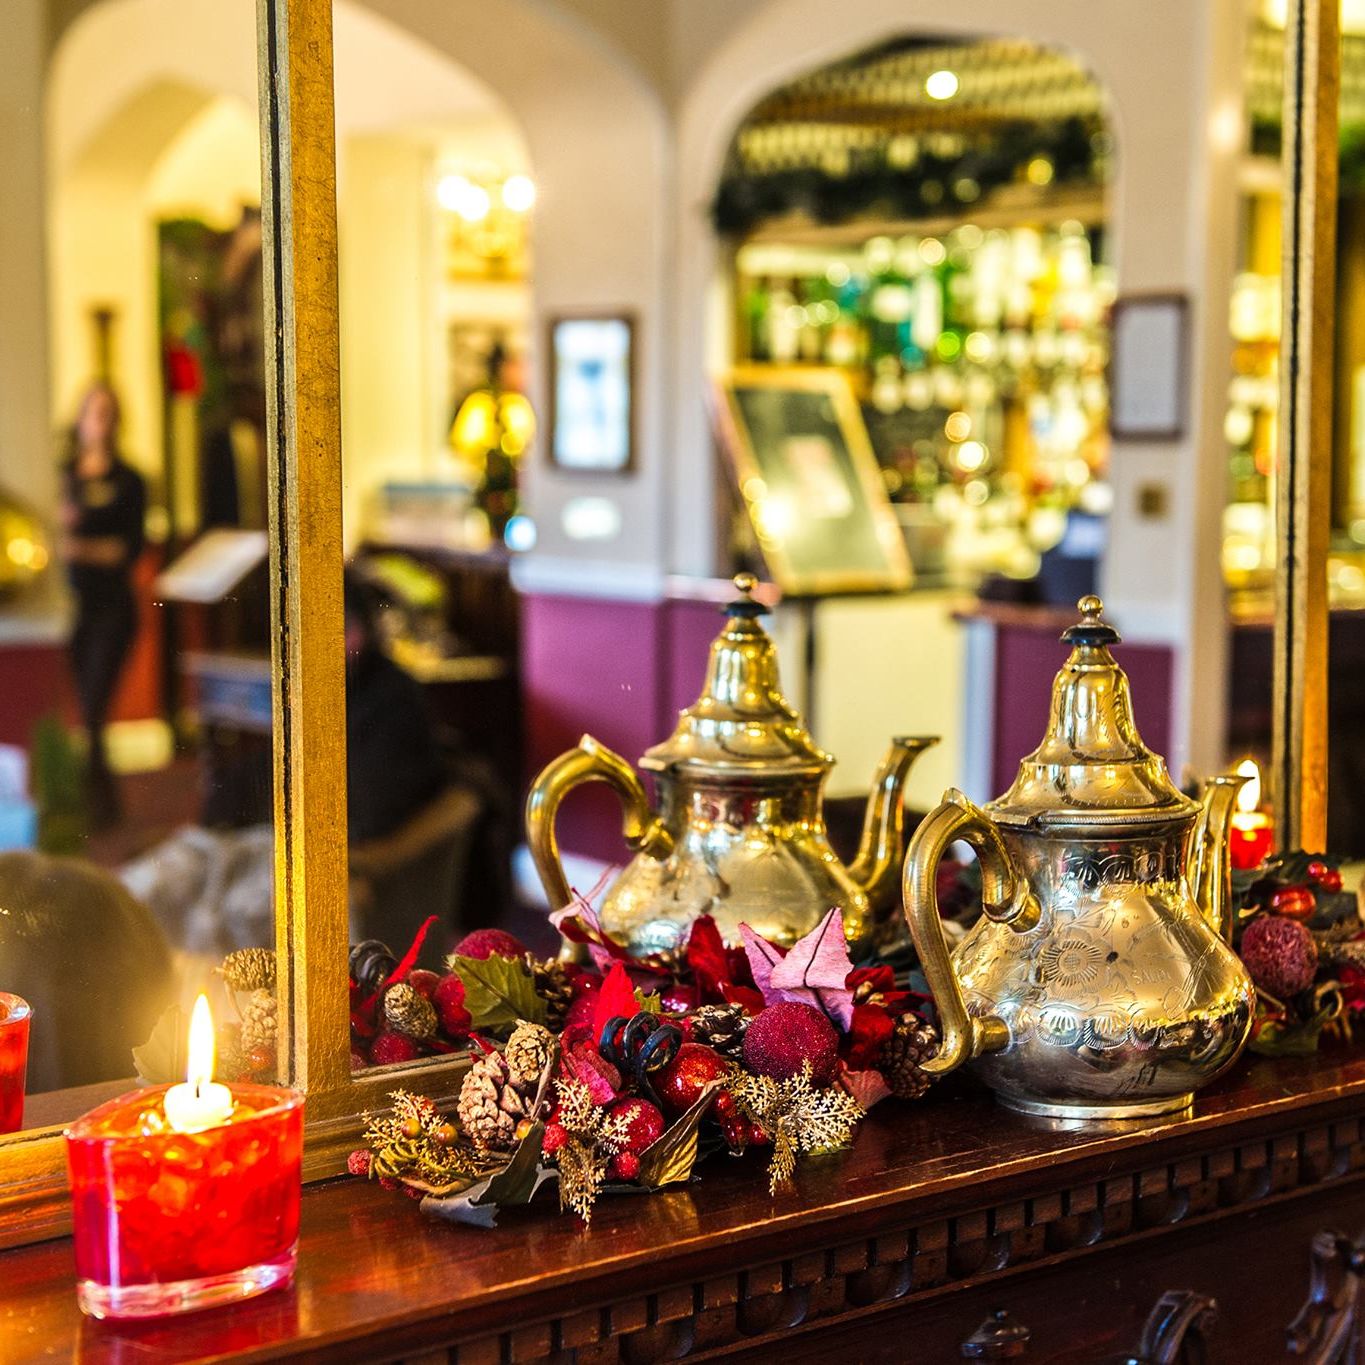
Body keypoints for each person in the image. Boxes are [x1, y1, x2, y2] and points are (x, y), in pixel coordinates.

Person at [59, 383, 147, 828]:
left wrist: (75, 547)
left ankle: (100, 812)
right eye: (94, 411)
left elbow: (125, 550)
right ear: (79, 419)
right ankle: (100, 805)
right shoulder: (62, 475)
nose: (101, 421)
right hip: (72, 608)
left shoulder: (130, 481)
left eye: (109, 412)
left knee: (95, 708)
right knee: (85, 715)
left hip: (114, 610)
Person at [344, 572, 448, 843]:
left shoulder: (393, 694)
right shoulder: (327, 688)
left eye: (344, 629)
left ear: (364, 629)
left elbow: (376, 805)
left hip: (378, 842)